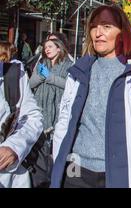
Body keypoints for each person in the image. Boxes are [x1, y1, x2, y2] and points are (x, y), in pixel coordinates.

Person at [50, 5, 131, 188]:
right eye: (94, 26)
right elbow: (65, 122)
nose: (98, 32)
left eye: (107, 26)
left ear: (123, 33)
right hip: (76, 171)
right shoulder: (80, 70)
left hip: (118, 175)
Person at [28, 38, 73, 187]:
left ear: (59, 48)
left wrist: (50, 78)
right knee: (40, 151)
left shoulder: (69, 65)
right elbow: (30, 84)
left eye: (50, 46)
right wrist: (41, 76)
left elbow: (68, 86)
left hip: (59, 112)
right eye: (45, 47)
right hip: (40, 110)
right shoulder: (41, 64)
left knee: (56, 152)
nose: (46, 49)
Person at [0, 59, 43, 187]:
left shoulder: (13, 74)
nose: (48, 50)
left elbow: (32, 117)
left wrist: (15, 147)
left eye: (51, 46)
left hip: (10, 177)